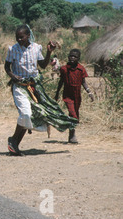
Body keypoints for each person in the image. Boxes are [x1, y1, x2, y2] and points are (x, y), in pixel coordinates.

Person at [4, 25, 77, 156]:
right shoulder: (12, 49)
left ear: (28, 36)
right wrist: (13, 76)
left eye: (21, 37)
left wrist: (49, 52)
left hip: (34, 87)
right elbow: (7, 67)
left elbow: (42, 65)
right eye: (17, 37)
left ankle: (14, 143)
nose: (19, 40)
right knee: (25, 114)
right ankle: (13, 140)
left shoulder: (36, 48)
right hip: (19, 87)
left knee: (31, 115)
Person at [55, 49, 94, 143]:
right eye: (71, 56)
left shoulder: (81, 69)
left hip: (77, 96)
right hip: (67, 96)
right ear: (68, 57)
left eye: (75, 57)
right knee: (73, 115)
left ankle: (71, 134)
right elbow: (61, 82)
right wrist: (57, 93)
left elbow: (83, 82)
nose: (72, 58)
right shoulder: (64, 69)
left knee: (75, 114)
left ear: (78, 58)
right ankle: (71, 134)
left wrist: (89, 92)